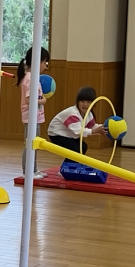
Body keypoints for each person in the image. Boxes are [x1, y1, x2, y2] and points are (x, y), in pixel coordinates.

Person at [16, 47, 51, 178]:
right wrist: (43, 101)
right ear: (37, 61)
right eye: (44, 63)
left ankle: (33, 170)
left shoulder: (32, 77)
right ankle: (27, 171)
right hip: (31, 118)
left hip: (34, 117)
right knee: (30, 145)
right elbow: (29, 99)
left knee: (34, 144)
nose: (45, 67)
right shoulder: (31, 79)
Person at [47, 86, 105, 153]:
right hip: (57, 134)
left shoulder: (89, 114)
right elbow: (78, 131)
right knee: (75, 150)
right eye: (82, 101)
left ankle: (70, 160)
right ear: (78, 102)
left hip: (69, 134)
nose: (85, 104)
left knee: (83, 147)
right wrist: (94, 131)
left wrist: (103, 127)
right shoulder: (72, 114)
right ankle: (70, 160)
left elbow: (92, 126)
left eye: (88, 102)